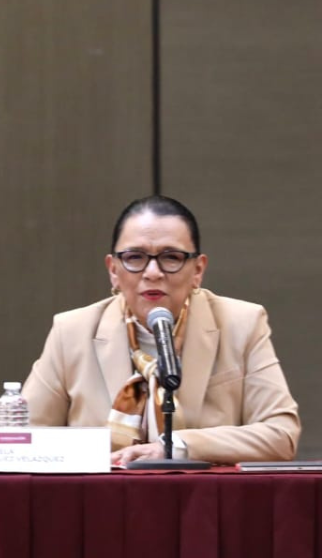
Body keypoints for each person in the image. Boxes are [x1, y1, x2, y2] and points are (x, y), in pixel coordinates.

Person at [22, 195, 300, 466]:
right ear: (113, 270)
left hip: (201, 503)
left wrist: (177, 447)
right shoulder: (72, 331)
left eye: (171, 257)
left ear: (198, 270)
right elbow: (24, 438)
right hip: (101, 502)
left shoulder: (242, 323)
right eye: (135, 257)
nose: (153, 272)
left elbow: (281, 435)